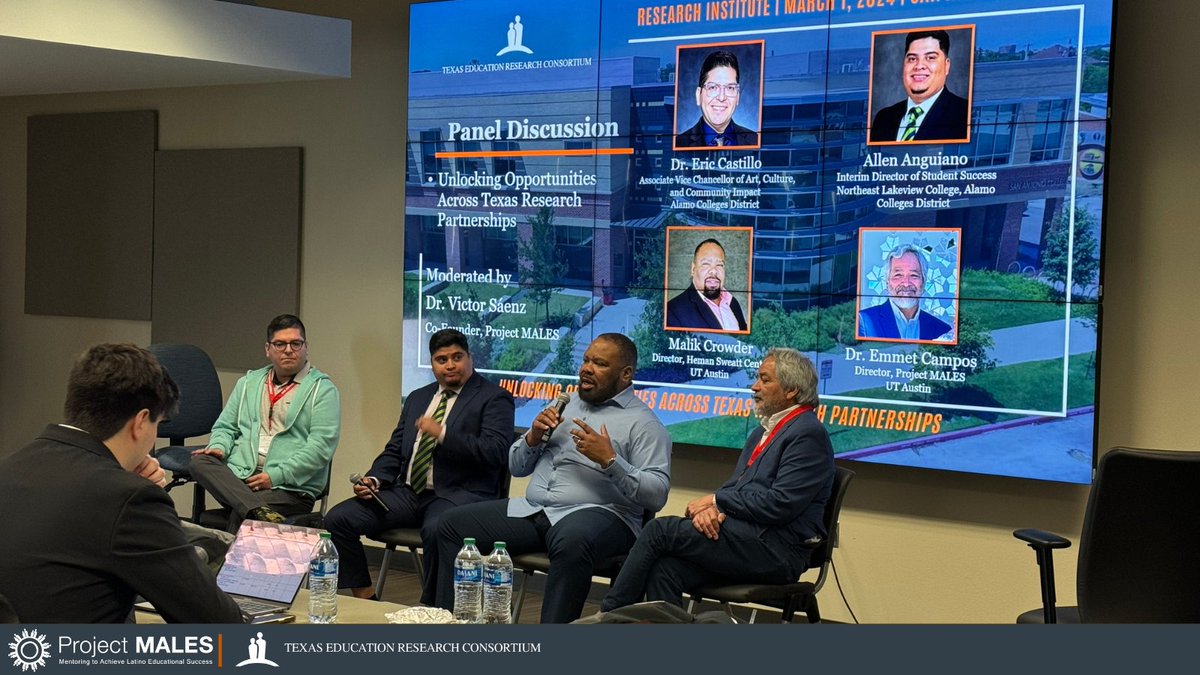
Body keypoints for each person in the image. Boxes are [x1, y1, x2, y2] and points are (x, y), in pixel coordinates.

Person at [432, 333, 671, 623]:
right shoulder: (564, 406)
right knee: (449, 526)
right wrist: (532, 438)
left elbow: (657, 494)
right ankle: (447, 626)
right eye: (585, 360)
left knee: (571, 539)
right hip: (537, 510)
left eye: (599, 363)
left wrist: (610, 461)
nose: (586, 368)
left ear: (626, 374)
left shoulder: (644, 423)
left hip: (603, 516)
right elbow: (517, 467)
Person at [0, 344, 244, 623]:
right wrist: (138, 496)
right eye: (158, 425)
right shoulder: (129, 498)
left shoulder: (9, 468)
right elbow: (219, 624)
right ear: (141, 422)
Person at [601, 348, 834, 611]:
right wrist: (712, 511)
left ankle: (608, 615)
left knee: (658, 530)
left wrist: (716, 501)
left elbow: (780, 504)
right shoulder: (761, 432)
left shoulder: (807, 433)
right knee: (666, 570)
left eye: (765, 380)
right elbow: (736, 487)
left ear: (791, 390)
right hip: (746, 540)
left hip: (776, 551)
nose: (754, 386)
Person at [323, 328, 514, 604]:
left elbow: (495, 452)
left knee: (439, 529)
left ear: (470, 359)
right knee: (337, 519)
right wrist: (375, 479)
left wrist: (443, 433)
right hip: (409, 492)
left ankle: (433, 610)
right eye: (441, 359)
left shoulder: (494, 398)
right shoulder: (418, 398)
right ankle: (365, 597)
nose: (450, 365)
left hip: (458, 495)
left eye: (457, 357)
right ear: (432, 364)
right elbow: (395, 449)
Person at [190, 314, 340, 529]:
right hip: (242, 479)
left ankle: (245, 522)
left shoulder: (322, 389)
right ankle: (255, 508)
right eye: (280, 344)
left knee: (243, 515)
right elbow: (225, 427)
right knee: (199, 461)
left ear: (306, 347)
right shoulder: (249, 383)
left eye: (295, 344)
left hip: (289, 489)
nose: (288, 350)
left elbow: (320, 448)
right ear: (268, 349)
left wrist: (274, 476)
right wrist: (219, 447)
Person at [869, 29, 969, 143]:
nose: (919, 66)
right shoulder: (883, 118)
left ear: (946, 66)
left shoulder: (964, 114)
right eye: (912, 59)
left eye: (930, 58)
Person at [858, 244, 954, 341]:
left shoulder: (942, 331)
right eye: (898, 275)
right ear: (887, 282)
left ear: (924, 282)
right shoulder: (864, 321)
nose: (906, 283)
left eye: (914, 275)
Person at [676, 50, 758, 148]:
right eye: (713, 87)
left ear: (738, 97)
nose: (721, 97)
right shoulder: (679, 143)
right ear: (698, 95)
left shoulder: (755, 140)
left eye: (730, 88)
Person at [666, 238, 748, 332]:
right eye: (706, 264)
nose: (713, 271)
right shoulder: (673, 311)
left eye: (719, 265)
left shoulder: (732, 302)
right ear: (693, 269)